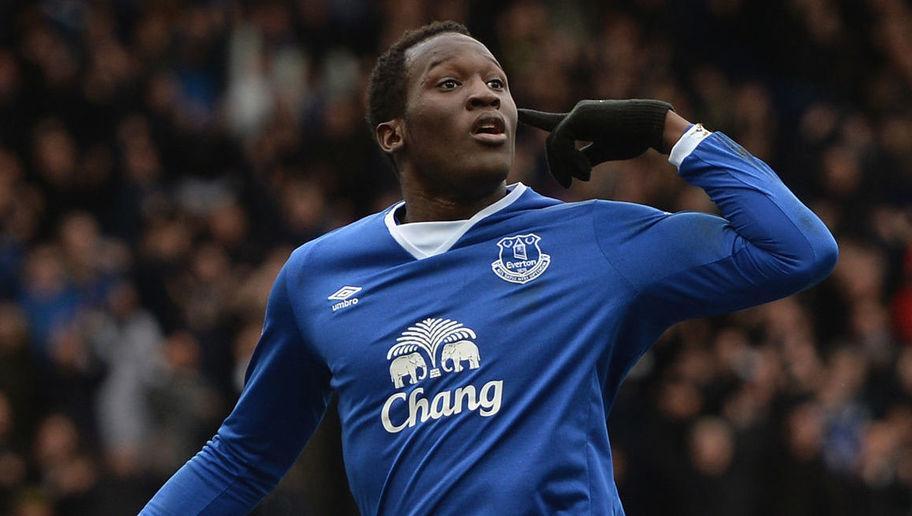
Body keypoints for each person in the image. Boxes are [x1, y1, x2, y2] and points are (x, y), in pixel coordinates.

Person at [142, 20, 838, 515]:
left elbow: (798, 250)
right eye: (450, 83)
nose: (485, 94)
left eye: (497, 82)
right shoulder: (318, 277)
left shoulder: (594, 240)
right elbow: (243, 458)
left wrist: (669, 131)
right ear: (394, 133)